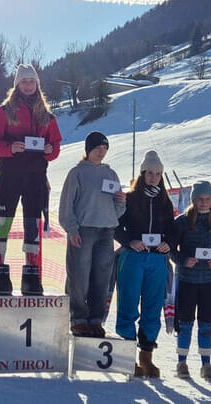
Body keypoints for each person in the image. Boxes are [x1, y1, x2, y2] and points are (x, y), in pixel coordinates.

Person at [0, 64, 62, 296]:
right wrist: (10, 148)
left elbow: (56, 145)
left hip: (36, 179)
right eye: (24, 81)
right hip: (9, 176)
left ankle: (32, 276)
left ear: (37, 85)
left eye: (32, 82)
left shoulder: (47, 115)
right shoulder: (5, 111)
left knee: (33, 227)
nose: (28, 86)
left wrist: (49, 149)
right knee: (2, 224)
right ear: (17, 85)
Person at [113, 150, 175, 378]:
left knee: (152, 306)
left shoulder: (165, 201)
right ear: (142, 173)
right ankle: (128, 356)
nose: (154, 177)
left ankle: (146, 357)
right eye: (150, 173)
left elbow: (172, 230)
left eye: (158, 174)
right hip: (133, 257)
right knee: (128, 304)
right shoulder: (130, 198)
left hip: (157, 260)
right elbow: (116, 226)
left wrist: (168, 243)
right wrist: (130, 241)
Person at [59, 132, 126, 337]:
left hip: (106, 232)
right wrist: (71, 229)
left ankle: (96, 319)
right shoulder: (77, 173)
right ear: (88, 150)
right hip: (83, 230)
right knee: (79, 276)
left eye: (105, 149)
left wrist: (121, 202)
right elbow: (67, 204)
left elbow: (117, 209)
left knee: (101, 277)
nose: (101, 152)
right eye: (98, 148)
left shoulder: (111, 174)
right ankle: (78, 319)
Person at [172, 181, 211, 380]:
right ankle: (181, 362)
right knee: (185, 322)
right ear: (193, 200)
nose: (204, 203)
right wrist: (183, 260)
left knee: (206, 324)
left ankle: (206, 365)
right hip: (187, 280)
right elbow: (171, 249)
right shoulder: (182, 221)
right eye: (200, 199)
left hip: (210, 282)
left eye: (207, 199)